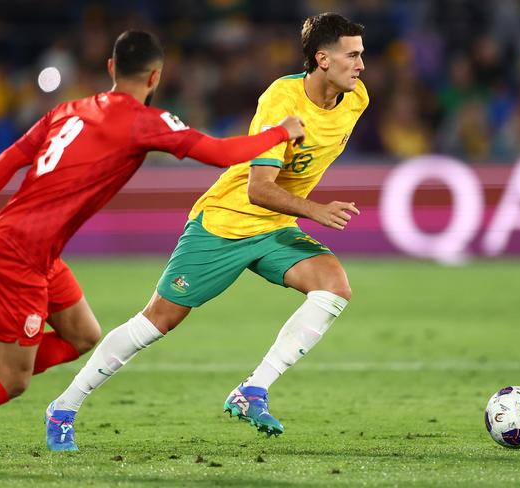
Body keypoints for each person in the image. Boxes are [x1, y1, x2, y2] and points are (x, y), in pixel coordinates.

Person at [0, 30, 304, 450]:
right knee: (13, 380)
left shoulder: (69, 109)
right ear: (155, 77)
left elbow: (14, 155)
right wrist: (280, 132)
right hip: (20, 253)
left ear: (110, 68)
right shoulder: (144, 122)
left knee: (82, 335)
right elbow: (220, 153)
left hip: (35, 249)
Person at [45, 12, 367, 451]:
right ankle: (63, 407)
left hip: (274, 227)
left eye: (361, 55)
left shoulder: (356, 99)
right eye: (353, 55)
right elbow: (258, 189)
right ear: (322, 58)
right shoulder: (281, 101)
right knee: (157, 321)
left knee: (333, 285)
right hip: (225, 222)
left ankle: (253, 390)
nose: (362, 65)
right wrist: (316, 210)